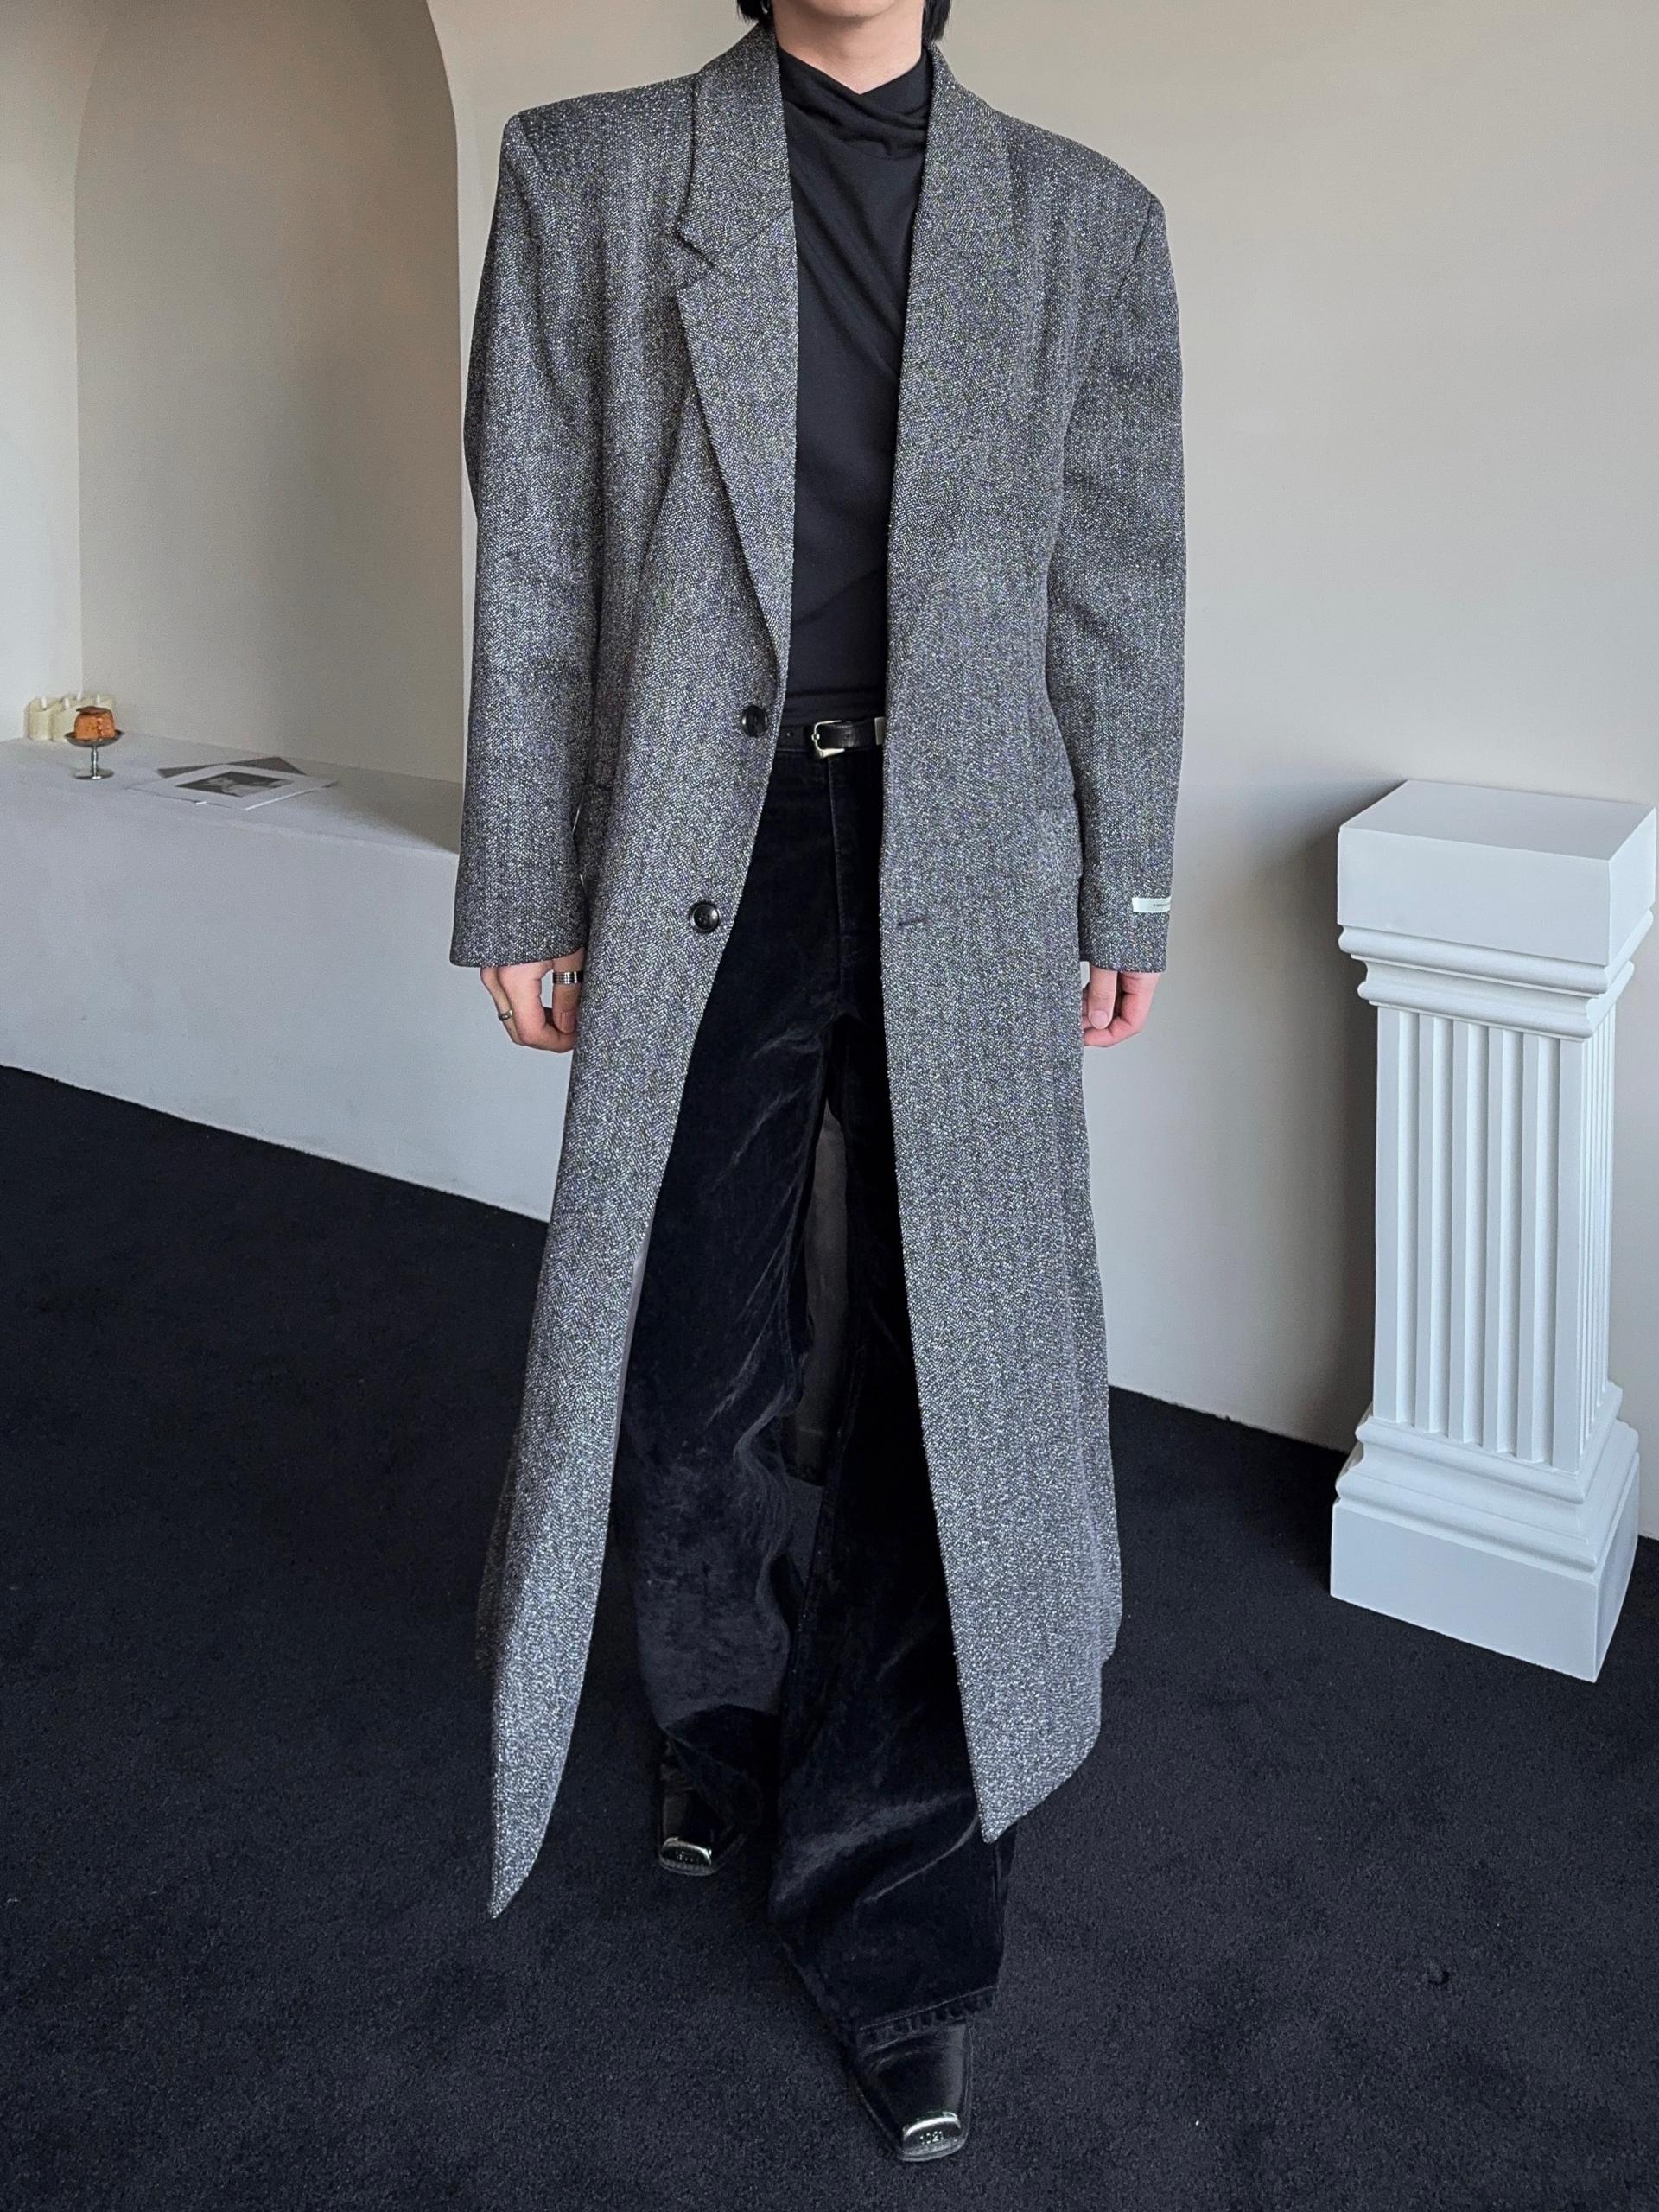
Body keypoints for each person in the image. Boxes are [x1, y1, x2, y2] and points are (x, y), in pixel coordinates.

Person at [453, 0, 1183, 2163]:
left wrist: (1124, 890)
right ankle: (716, 1713)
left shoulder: (1086, 221)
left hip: (973, 850)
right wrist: (523, 881)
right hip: (706, 828)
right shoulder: (588, 170)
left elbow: (1118, 579)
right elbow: (537, 549)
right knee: (694, 1338)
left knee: (951, 1377)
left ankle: (903, 1917)